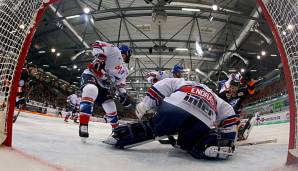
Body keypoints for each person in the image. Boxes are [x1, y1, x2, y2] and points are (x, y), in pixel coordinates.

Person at [104, 78, 239, 160]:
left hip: (176, 106)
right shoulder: (216, 98)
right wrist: (229, 137)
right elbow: (230, 114)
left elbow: (161, 85)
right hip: (203, 119)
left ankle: (120, 136)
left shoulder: (185, 82)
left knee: (152, 128)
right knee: (189, 145)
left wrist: (146, 105)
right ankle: (205, 146)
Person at [79, 40, 132, 142]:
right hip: (91, 76)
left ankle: (116, 131)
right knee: (91, 89)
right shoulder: (114, 50)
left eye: (124, 56)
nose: (122, 57)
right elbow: (96, 43)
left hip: (104, 85)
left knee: (110, 105)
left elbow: (120, 85)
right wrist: (100, 56)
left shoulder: (124, 71)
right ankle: (83, 124)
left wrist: (124, 95)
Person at [218, 71, 256, 140]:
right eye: (232, 88)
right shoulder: (225, 94)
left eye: (235, 88)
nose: (233, 90)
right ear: (229, 87)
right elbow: (218, 98)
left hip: (235, 116)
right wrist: (223, 94)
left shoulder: (241, 92)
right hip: (225, 117)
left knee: (236, 118)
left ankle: (240, 130)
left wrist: (248, 80)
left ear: (238, 88)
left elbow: (251, 91)